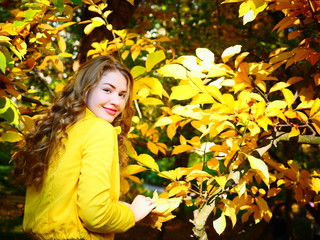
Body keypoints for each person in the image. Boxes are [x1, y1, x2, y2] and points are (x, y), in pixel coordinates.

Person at [13, 55, 156, 240]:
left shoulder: (61, 130)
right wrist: (133, 214)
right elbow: (95, 215)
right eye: (107, 90)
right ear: (85, 89)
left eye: (122, 95)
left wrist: (121, 207)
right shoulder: (100, 129)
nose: (117, 102)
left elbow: (65, 199)